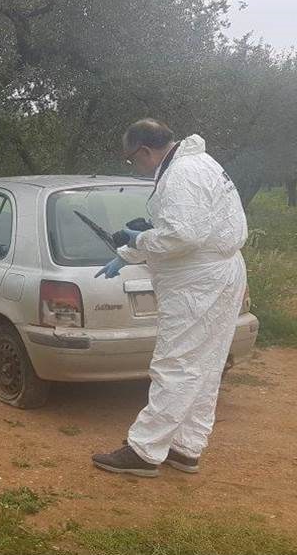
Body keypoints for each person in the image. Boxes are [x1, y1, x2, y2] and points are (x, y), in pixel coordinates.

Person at [92, 118, 249, 477]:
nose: (134, 166)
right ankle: (185, 447)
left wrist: (136, 241)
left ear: (145, 151)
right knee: (204, 365)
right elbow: (191, 230)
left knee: (176, 363)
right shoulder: (200, 163)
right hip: (218, 271)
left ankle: (145, 451)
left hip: (198, 281)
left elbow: (181, 237)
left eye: (132, 159)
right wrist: (130, 254)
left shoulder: (181, 173)